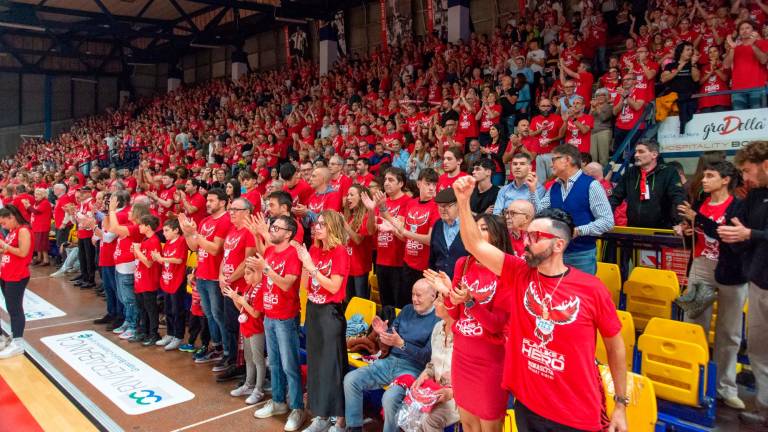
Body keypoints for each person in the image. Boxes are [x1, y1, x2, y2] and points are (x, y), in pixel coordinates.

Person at [451, 175, 628, 432]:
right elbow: (474, 244)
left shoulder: (591, 289)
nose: (526, 242)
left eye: (535, 236)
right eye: (526, 235)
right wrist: (464, 202)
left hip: (575, 413)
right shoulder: (519, 272)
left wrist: (621, 405)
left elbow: (616, 348)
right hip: (529, 406)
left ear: (558, 244)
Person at [424, 213, 513, 432]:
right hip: (462, 356)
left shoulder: (508, 270)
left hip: (490, 360)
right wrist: (447, 294)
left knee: (489, 427)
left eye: (482, 228)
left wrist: (471, 302)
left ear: (497, 235)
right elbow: (455, 315)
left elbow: (496, 325)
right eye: (473, 228)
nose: (474, 233)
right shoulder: (463, 264)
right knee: (469, 425)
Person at [676, 161, 747, 410]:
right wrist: (688, 230)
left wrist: (699, 221)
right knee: (693, 324)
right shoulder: (700, 203)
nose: (704, 180)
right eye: (704, 175)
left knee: (729, 333)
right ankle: (692, 379)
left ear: (725, 180)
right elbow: (700, 228)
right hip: (702, 267)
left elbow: (727, 234)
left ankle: (725, 388)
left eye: (710, 176)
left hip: (732, 272)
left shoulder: (738, 205)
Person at [338, 279, 440, 432]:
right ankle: (354, 427)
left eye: (419, 295)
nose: (414, 299)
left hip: (413, 370)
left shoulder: (438, 320)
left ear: (433, 296)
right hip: (389, 361)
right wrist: (383, 333)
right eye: (412, 294)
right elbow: (391, 338)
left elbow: (427, 357)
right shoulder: (406, 309)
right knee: (351, 380)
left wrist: (402, 344)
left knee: (390, 398)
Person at [717, 141, 768, 426]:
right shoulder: (754, 194)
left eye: (748, 170)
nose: (744, 177)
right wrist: (736, 234)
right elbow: (742, 228)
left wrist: (750, 235)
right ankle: (764, 409)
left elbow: (752, 233)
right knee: (760, 350)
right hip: (759, 282)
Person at [294, 210, 350, 432]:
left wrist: (311, 267)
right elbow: (306, 286)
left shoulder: (340, 252)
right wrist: (306, 264)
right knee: (317, 366)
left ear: (333, 228)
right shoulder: (315, 250)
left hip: (330, 313)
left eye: (323, 225)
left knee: (332, 368)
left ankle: (339, 418)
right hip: (314, 311)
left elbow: (334, 287)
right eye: (316, 224)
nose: (317, 227)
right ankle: (321, 416)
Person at [253, 215, 306, 432]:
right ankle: (278, 402)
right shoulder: (269, 251)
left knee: (289, 365)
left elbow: (286, 285)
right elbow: (265, 279)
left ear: (288, 233)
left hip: (286, 317)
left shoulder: (293, 253)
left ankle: (297, 408)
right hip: (269, 314)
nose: (272, 229)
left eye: (276, 227)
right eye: (271, 226)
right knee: (273, 362)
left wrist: (265, 269)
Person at [537, 144, 614, 274]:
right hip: (555, 253)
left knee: (581, 293)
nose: (551, 165)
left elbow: (607, 222)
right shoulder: (554, 186)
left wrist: (578, 231)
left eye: (554, 160)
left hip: (581, 254)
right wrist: (533, 190)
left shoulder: (592, 185)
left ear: (567, 160)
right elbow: (539, 212)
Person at [179, 188, 232, 364]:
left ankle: (227, 350)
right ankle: (216, 346)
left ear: (223, 202)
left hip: (216, 277)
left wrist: (194, 234)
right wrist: (187, 232)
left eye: (212, 200)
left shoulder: (225, 221)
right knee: (209, 315)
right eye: (207, 200)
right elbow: (195, 247)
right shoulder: (205, 221)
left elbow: (215, 248)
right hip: (202, 274)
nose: (208, 203)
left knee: (218, 315)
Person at [387, 168, 440, 307]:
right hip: (408, 262)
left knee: (422, 306)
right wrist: (394, 229)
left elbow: (430, 239)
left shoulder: (436, 206)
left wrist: (405, 232)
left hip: (425, 267)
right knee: (403, 303)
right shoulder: (411, 203)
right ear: (418, 184)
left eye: (434, 185)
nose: (431, 188)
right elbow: (405, 237)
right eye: (428, 183)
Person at [217, 197, 257, 376]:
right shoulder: (232, 230)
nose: (231, 212)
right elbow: (225, 256)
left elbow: (247, 261)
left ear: (247, 212)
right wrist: (220, 276)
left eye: (236, 209)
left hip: (240, 287)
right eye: (231, 208)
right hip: (228, 286)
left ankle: (240, 365)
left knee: (240, 327)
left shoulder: (249, 232)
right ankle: (232, 359)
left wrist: (229, 279)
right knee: (230, 324)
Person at [609, 141, 686, 228]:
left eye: (641, 151)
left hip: (661, 232)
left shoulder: (668, 172)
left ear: (654, 155)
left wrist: (680, 222)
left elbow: (677, 197)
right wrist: (604, 217)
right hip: (634, 230)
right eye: (636, 152)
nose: (636, 155)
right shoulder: (630, 172)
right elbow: (615, 197)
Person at [224, 259, 266, 405]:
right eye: (245, 273)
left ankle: (259, 389)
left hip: (256, 329)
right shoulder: (249, 287)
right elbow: (241, 308)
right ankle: (249, 385)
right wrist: (235, 299)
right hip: (246, 327)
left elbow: (255, 313)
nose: (245, 276)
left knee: (258, 360)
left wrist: (241, 301)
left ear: (258, 272)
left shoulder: (261, 288)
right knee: (249, 358)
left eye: (248, 273)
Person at [371, 167, 411, 307]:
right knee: (385, 303)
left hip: (398, 262)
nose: (386, 183)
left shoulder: (407, 202)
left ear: (401, 184)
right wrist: (371, 211)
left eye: (391, 180)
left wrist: (390, 226)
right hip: (381, 259)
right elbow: (371, 230)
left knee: (398, 304)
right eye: (385, 180)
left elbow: (403, 235)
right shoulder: (382, 201)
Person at [0, 205, 33, 359]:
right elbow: (9, 250)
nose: (3, 226)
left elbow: (23, 252)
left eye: (4, 223)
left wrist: (4, 246)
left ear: (11, 217)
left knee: (15, 309)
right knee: (10, 308)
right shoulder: (13, 231)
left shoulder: (23, 230)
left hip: (17, 275)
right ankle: (14, 338)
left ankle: (18, 343)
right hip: (6, 272)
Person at [152, 218, 188, 351]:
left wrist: (162, 259)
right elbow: (165, 261)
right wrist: (157, 258)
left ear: (176, 230)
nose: (164, 233)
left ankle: (178, 336)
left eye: (167, 230)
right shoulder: (167, 243)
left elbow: (179, 260)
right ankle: (170, 333)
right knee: (168, 310)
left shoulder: (181, 241)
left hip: (177, 281)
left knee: (177, 310)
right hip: (167, 280)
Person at [723, 20, 768, 110]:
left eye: (747, 28)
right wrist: (732, 49)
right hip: (737, 90)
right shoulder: (735, 47)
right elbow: (726, 65)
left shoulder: (763, 43)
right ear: (739, 33)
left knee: (757, 119)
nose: (744, 31)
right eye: (741, 29)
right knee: (740, 121)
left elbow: (763, 60)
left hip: (757, 87)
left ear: (754, 30)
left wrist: (752, 45)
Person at [132, 214, 162, 345]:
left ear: (148, 227)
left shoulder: (154, 241)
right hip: (140, 279)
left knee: (151, 308)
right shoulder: (145, 240)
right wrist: (136, 251)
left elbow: (149, 263)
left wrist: (137, 251)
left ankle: (154, 334)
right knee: (142, 308)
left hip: (149, 281)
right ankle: (144, 331)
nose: (139, 227)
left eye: (141, 225)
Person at [343, 184, 375, 300]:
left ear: (361, 197)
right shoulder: (350, 217)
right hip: (347, 266)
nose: (348, 198)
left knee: (360, 300)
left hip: (359, 267)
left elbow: (357, 240)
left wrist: (345, 226)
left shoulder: (366, 217)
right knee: (348, 300)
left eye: (351, 195)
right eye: (347, 195)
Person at [428, 188, 468, 280]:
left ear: (458, 205)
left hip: (462, 285)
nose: (443, 209)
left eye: (447, 206)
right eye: (440, 206)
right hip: (439, 282)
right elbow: (433, 257)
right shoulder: (438, 225)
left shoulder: (470, 225)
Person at [29, 188, 52, 266]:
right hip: (37, 225)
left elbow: (36, 211)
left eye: (38, 194)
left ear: (43, 195)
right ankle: (39, 258)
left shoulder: (45, 202)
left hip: (42, 226)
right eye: (35, 194)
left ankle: (46, 260)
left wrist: (28, 206)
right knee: (38, 243)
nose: (36, 195)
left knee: (42, 243)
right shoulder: (37, 202)